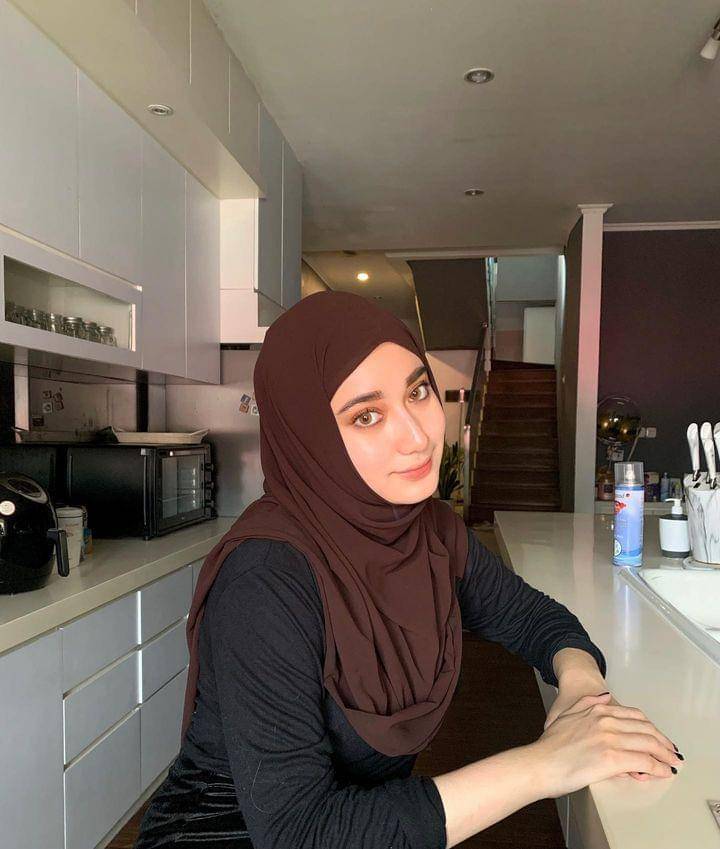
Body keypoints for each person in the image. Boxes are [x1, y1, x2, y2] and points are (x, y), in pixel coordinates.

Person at [134, 291, 682, 849]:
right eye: (366, 416)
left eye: (418, 392)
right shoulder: (265, 579)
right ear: (309, 436)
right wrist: (549, 763)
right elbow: (300, 833)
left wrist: (583, 691)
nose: (419, 437)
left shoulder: (430, 531)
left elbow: (533, 618)